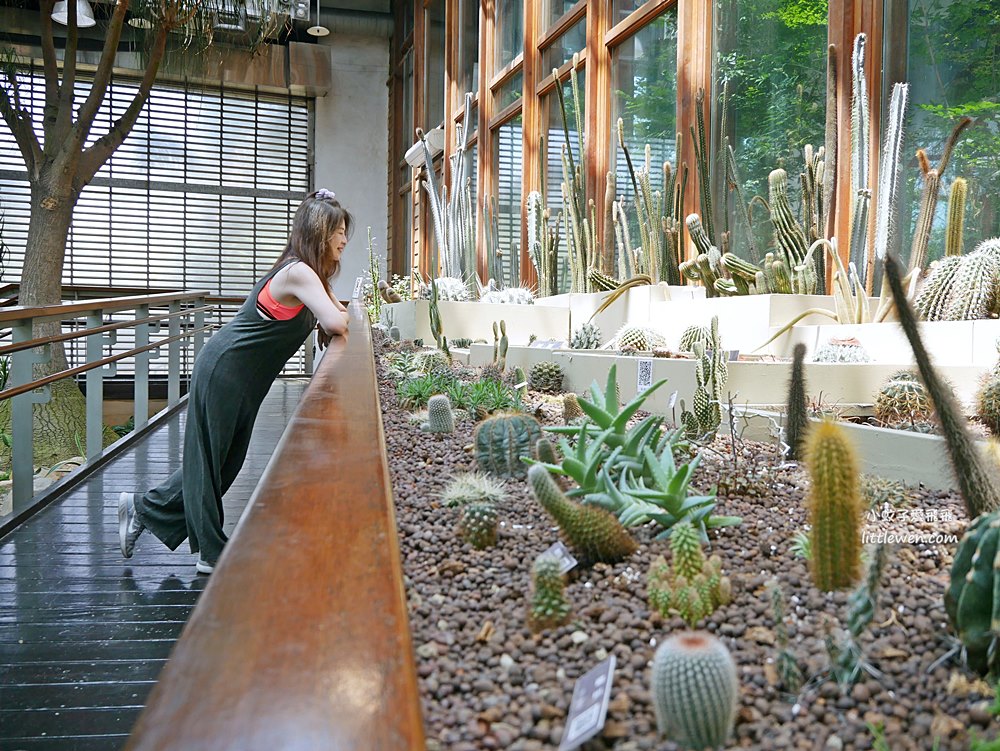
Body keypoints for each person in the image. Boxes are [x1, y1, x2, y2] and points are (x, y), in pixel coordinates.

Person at [117, 189, 351, 574]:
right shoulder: (298, 272)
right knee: (208, 461)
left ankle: (140, 510)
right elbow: (336, 321)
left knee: (225, 465)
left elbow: (336, 311)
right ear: (319, 232)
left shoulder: (311, 274)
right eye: (338, 230)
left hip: (242, 381)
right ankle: (210, 551)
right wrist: (329, 320)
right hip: (224, 370)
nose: (343, 239)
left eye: (345, 231)